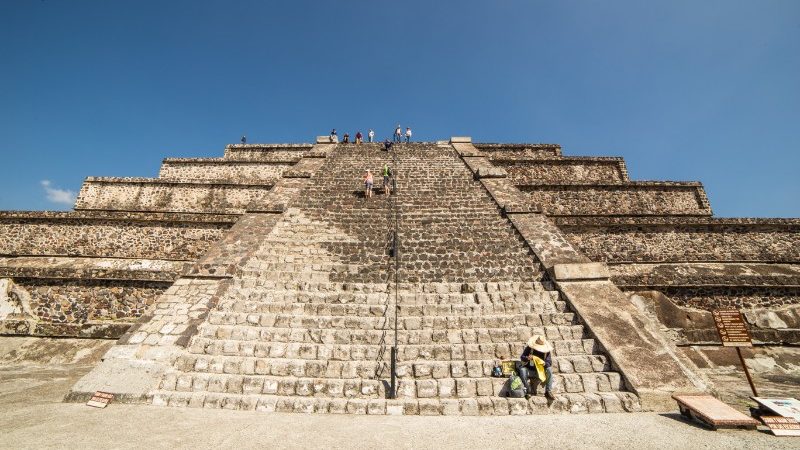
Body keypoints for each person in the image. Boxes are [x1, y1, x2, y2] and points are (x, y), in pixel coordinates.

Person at [518, 335, 555, 400]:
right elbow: (522, 357)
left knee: (549, 370)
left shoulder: (546, 352)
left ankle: (548, 391)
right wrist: (527, 358)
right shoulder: (530, 348)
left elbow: (549, 363)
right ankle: (528, 390)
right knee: (522, 370)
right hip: (530, 370)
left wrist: (544, 363)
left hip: (540, 372)